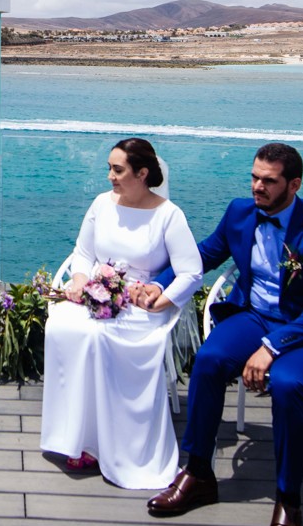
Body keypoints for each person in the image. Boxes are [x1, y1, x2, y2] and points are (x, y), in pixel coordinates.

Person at [145, 142, 303, 526]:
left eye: (269, 180)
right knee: (207, 360)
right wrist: (162, 284)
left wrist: (272, 347)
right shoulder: (240, 212)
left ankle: (288, 502)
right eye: (254, 177)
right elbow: (203, 254)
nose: (258, 186)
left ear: (293, 185)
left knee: (287, 382)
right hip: (255, 316)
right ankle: (199, 473)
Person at [39, 138, 203, 489]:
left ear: (142, 173)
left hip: (139, 305)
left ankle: (113, 445)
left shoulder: (168, 215)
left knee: (100, 336)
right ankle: (76, 438)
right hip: (97, 294)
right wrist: (81, 280)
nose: (110, 177)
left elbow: (191, 272)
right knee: (63, 327)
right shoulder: (101, 204)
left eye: (118, 170)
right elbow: (82, 253)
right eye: (109, 169)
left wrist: (160, 300)